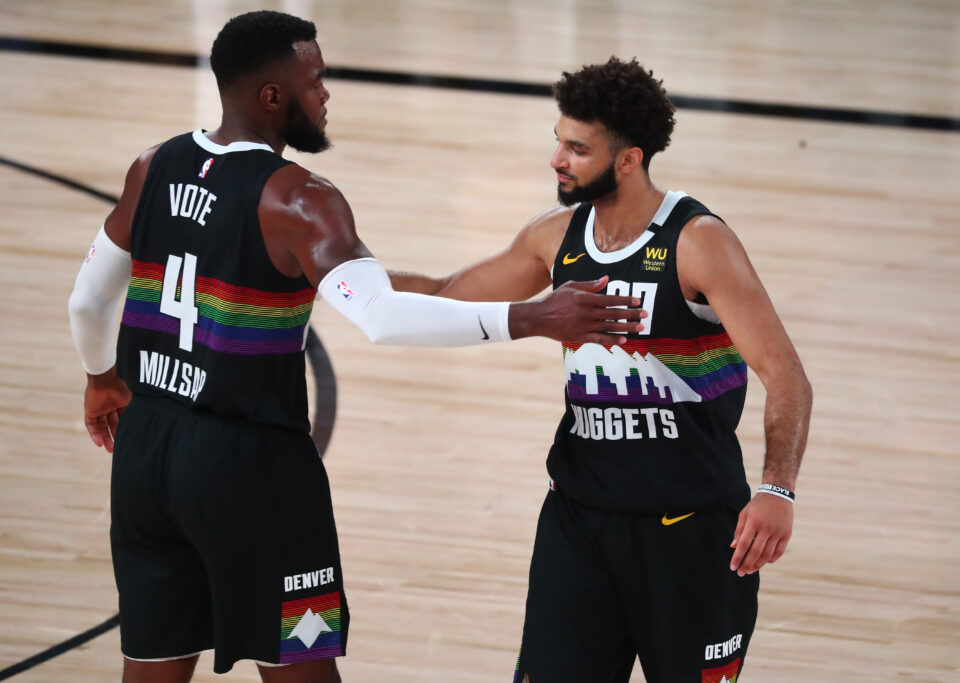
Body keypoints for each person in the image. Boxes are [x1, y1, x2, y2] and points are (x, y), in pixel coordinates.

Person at [66, 11, 646, 683]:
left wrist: (100, 377)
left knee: (153, 668)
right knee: (300, 666)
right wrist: (532, 316)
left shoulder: (152, 165)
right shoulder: (300, 200)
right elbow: (381, 317)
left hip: (145, 454)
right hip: (248, 467)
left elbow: (87, 299)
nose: (326, 93)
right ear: (271, 97)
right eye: (314, 80)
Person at [390, 58, 812, 682]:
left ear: (628, 159)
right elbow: (446, 292)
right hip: (579, 518)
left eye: (577, 149)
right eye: (558, 141)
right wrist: (327, 273)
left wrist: (776, 489)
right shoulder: (554, 235)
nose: (558, 160)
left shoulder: (698, 242)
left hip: (689, 530)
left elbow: (786, 375)